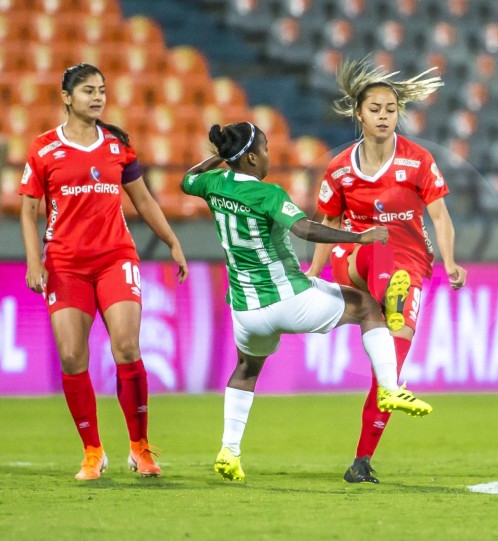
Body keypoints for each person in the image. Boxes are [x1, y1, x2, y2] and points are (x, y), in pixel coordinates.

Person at [180, 122, 433, 482]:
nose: (269, 156)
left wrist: (216, 160)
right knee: (368, 307)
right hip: (287, 297)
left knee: (247, 369)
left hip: (245, 309)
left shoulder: (211, 184)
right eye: (264, 149)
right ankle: (390, 388)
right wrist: (358, 237)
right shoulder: (268, 194)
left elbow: (185, 180)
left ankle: (229, 451)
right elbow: (305, 229)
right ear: (251, 157)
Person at [18, 63, 189, 480]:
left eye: (102, 91)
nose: (97, 97)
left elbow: (145, 201)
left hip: (116, 258)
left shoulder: (116, 147)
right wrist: (34, 260)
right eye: (88, 90)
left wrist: (171, 240)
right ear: (66, 97)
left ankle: (140, 448)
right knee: (73, 356)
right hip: (65, 264)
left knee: (127, 349)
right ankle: (93, 451)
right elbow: (28, 209)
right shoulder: (43, 149)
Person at [306, 59, 467, 483]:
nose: (383, 116)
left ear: (399, 114)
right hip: (356, 259)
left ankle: (361, 462)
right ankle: (388, 297)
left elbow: (441, 218)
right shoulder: (340, 167)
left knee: (389, 372)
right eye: (375, 108)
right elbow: (329, 225)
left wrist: (449, 260)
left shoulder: (418, 160)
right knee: (374, 244)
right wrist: (313, 274)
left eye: (391, 109)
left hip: (411, 264)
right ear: (359, 113)